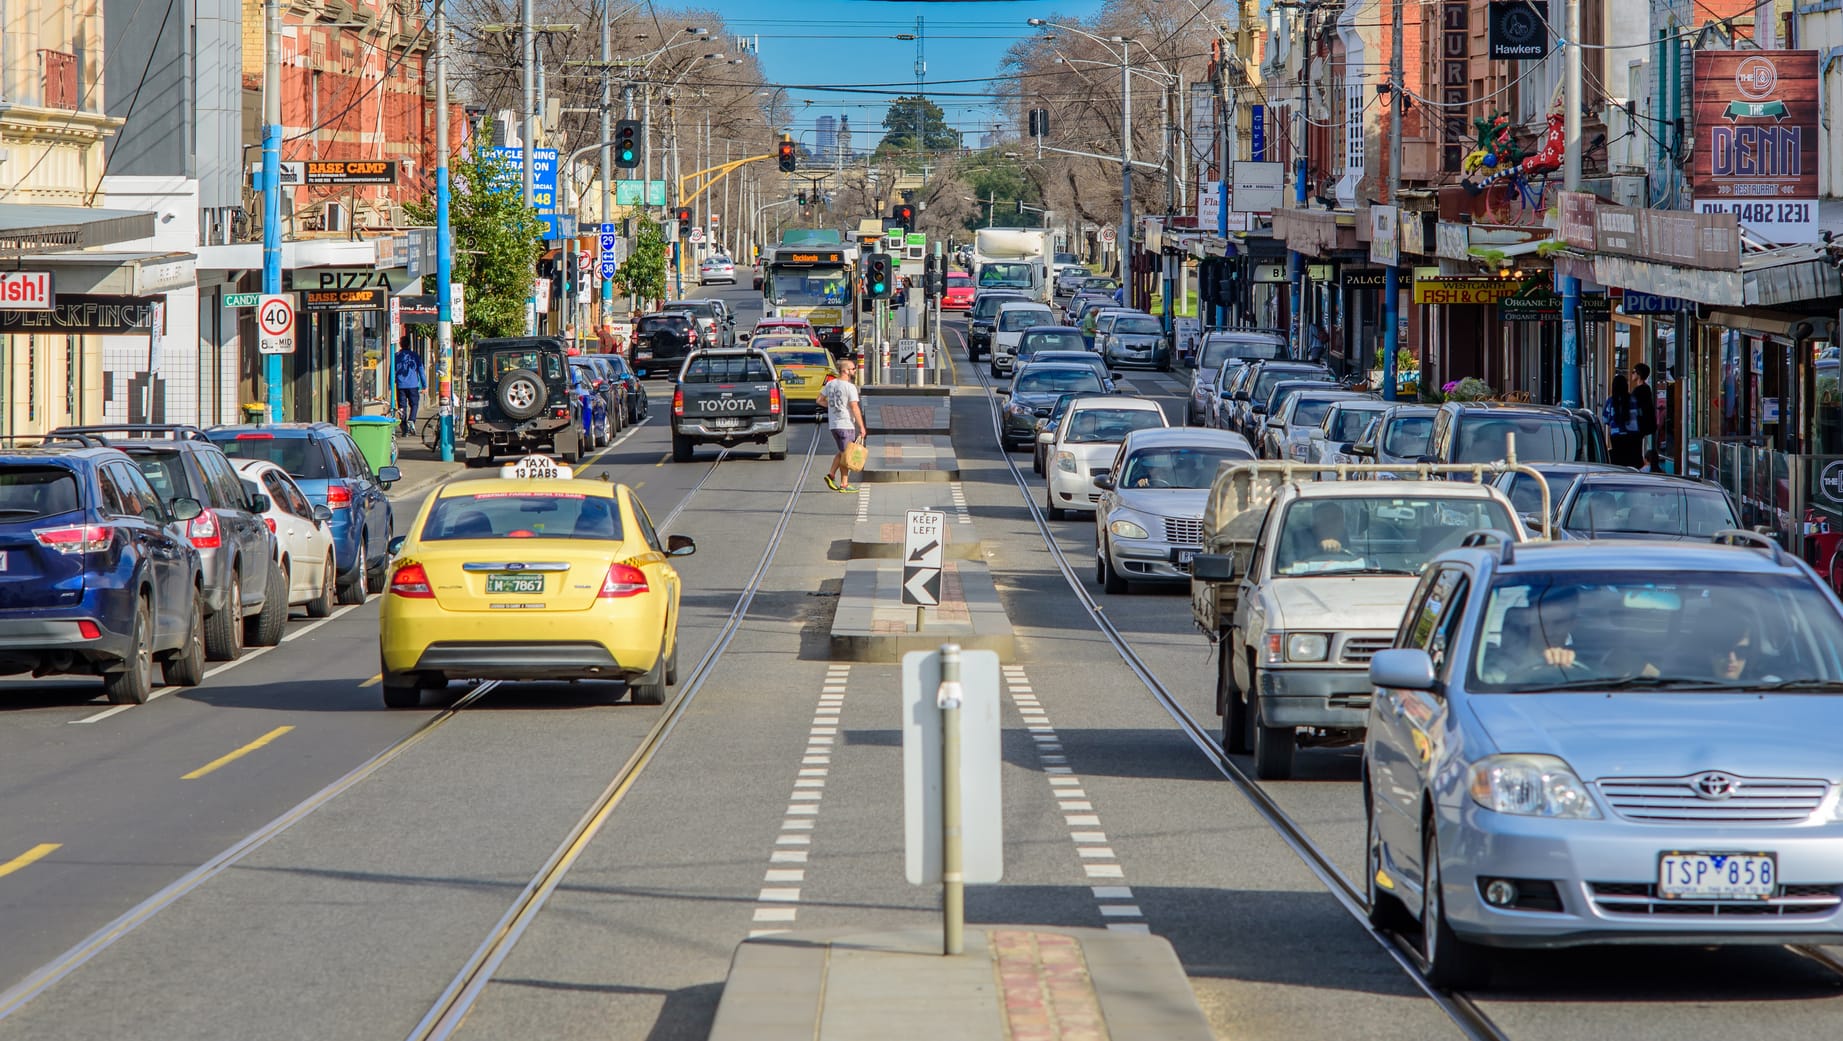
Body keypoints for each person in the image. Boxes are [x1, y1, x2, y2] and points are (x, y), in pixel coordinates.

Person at [820, 359, 866, 493]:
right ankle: (844, 484)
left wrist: (833, 407)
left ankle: (831, 475)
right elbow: (854, 407)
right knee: (847, 455)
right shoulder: (850, 387)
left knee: (843, 452)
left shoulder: (830, 384)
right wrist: (862, 427)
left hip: (834, 425)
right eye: (852, 369)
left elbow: (819, 400)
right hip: (845, 424)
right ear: (845, 371)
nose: (854, 371)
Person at [1602, 374, 1643, 467]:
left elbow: (1605, 419)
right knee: (1631, 463)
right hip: (1633, 437)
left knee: (1619, 464)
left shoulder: (1611, 401)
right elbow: (1640, 416)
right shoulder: (1634, 399)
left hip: (1616, 437)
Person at [394, 338, 426, 437]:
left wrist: (390, 384)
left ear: (400, 344)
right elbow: (421, 370)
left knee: (402, 407)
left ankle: (404, 429)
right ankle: (411, 420)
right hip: (413, 385)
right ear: (409, 345)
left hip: (400, 385)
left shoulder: (397, 356)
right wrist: (424, 385)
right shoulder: (414, 355)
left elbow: (392, 370)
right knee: (414, 404)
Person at [1630, 362, 1657, 453]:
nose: (1632, 374)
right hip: (1644, 424)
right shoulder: (1646, 388)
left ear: (1639, 374)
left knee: (1635, 449)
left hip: (1639, 424)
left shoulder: (1639, 390)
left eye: (1633, 372)